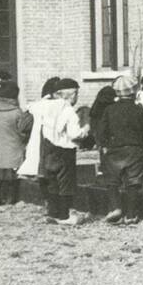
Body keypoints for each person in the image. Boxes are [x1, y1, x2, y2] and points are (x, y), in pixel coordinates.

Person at [94, 75, 143, 224]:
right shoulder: (139, 110)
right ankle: (131, 215)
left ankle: (116, 208)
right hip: (134, 149)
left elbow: (101, 131)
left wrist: (104, 145)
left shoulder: (109, 110)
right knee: (133, 181)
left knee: (112, 181)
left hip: (114, 150)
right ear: (134, 92)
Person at [39, 77, 90, 225]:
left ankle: (53, 212)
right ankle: (64, 214)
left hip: (49, 148)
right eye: (76, 95)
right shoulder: (69, 111)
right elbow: (74, 134)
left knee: (53, 181)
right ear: (72, 95)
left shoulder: (48, 108)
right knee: (66, 183)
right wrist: (85, 130)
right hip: (65, 150)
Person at [16, 77, 60, 201]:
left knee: (42, 173)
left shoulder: (34, 106)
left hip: (37, 144)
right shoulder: (60, 106)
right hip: (54, 144)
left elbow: (23, 126)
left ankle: (48, 201)